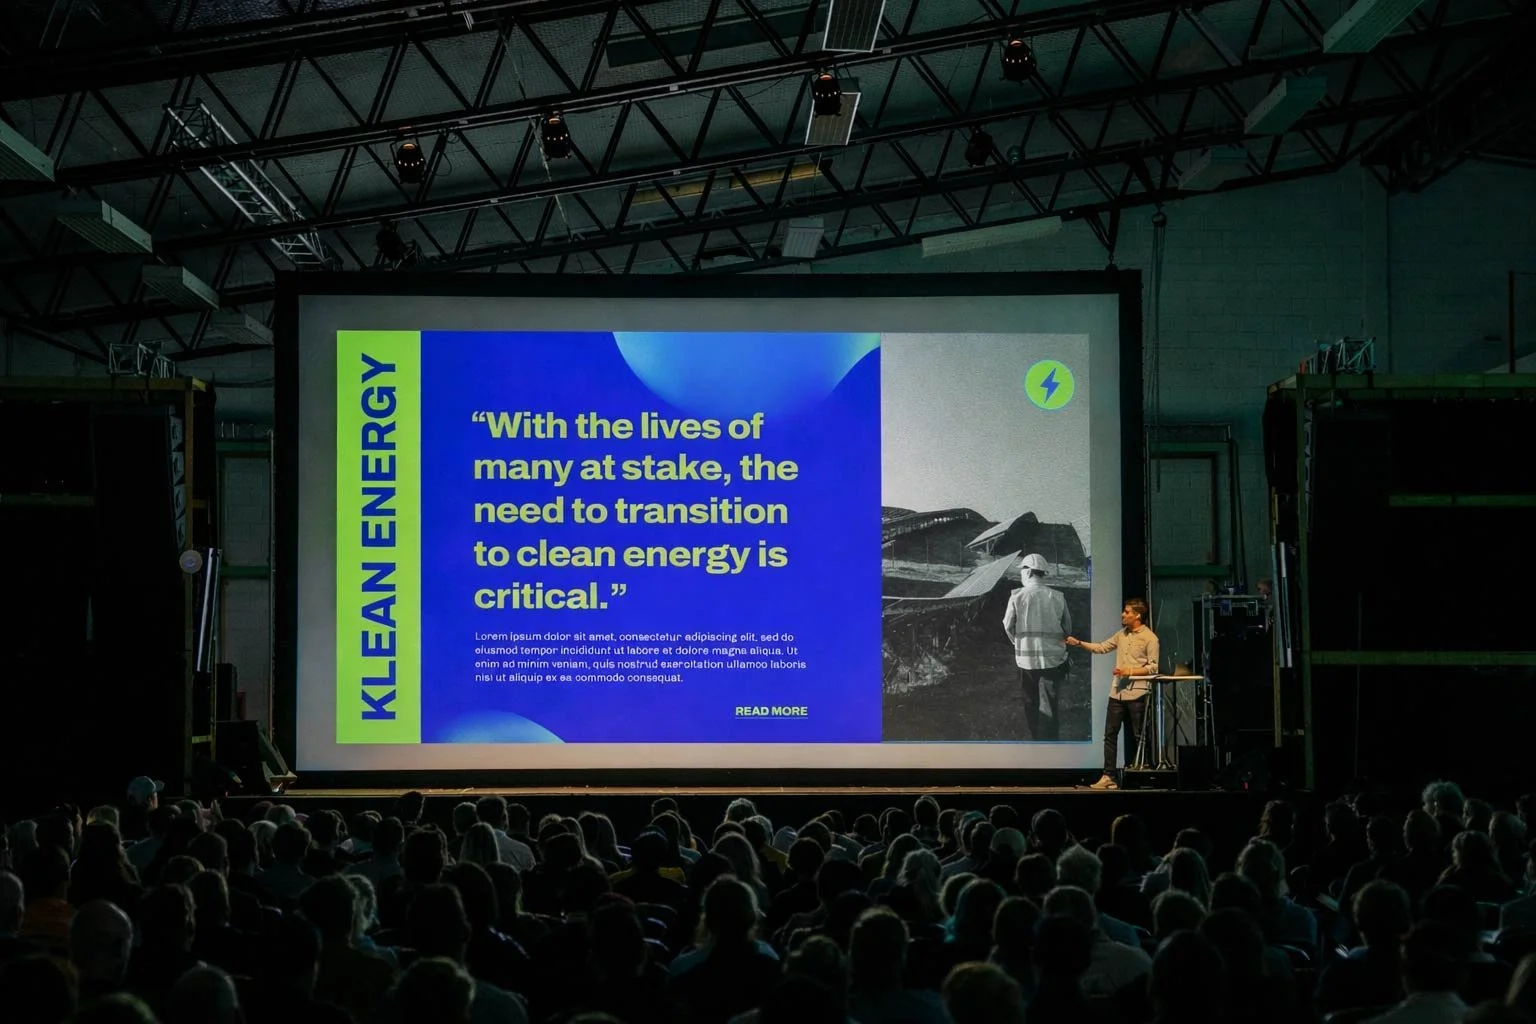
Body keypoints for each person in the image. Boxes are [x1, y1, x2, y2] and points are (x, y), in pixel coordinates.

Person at [1068, 598, 1159, 790]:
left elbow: (1153, 667)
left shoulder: (1150, 638)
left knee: (1139, 735)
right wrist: (1078, 643)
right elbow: (1102, 647)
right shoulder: (1122, 634)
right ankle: (1108, 775)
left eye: (1127, 612)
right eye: (1123, 611)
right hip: (1117, 694)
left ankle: (1144, 774)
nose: (1123, 615)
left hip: (1138, 693)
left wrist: (1130, 672)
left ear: (1137, 615)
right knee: (1110, 735)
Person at [1002, 553, 1072, 742]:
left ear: (1030, 571)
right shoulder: (1058, 597)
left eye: (1023, 571)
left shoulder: (1017, 596)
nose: (1021, 575)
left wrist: (1019, 644)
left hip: (1026, 660)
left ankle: (1036, 741)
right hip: (1052, 660)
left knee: (1029, 701)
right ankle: (1050, 743)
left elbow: (1008, 625)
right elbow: (1068, 628)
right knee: (1049, 703)